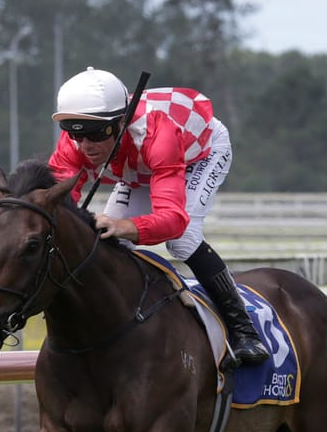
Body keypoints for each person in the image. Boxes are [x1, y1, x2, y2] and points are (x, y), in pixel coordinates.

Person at [47, 66, 269, 366]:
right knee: (106, 244)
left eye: (96, 134)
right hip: (140, 162)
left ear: (121, 122)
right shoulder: (74, 143)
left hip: (196, 153)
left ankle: (244, 331)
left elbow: (173, 220)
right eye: (75, 133)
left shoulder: (158, 134)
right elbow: (57, 205)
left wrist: (124, 225)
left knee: (183, 240)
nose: (85, 145)